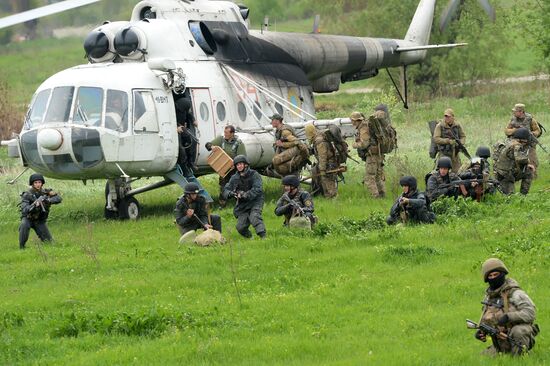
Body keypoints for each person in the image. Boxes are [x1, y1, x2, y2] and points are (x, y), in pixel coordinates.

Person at [474, 258, 539, 356]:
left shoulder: (515, 293)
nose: (493, 278)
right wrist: (482, 332)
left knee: (519, 331)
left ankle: (520, 356)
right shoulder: (488, 297)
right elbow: (488, 318)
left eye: (496, 274)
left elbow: (530, 313)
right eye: (490, 276)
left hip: (517, 337)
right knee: (480, 358)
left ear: (503, 273)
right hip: (500, 342)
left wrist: (509, 317)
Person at [222, 155, 266, 238]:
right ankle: (250, 238)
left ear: (246, 164)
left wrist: (245, 194)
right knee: (240, 227)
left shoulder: (254, 174)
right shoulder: (234, 178)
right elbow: (225, 190)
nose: (239, 166)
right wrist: (231, 194)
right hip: (242, 205)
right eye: (237, 165)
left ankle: (263, 237)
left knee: (255, 217)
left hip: (255, 201)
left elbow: (257, 189)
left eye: (241, 164)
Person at [350, 106, 387, 198]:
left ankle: (375, 197)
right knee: (378, 176)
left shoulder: (363, 128)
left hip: (372, 156)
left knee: (369, 177)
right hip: (378, 154)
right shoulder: (367, 125)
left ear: (356, 121)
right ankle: (382, 194)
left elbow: (364, 144)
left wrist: (354, 145)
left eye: (352, 120)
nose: (352, 122)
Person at [205, 125, 246, 206]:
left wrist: (236, 164)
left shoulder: (239, 143)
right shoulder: (221, 140)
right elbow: (207, 144)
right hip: (223, 168)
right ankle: (222, 204)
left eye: (227, 133)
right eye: (224, 132)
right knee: (223, 185)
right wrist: (212, 147)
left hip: (234, 168)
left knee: (237, 185)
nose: (225, 134)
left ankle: (239, 203)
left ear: (232, 133)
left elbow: (242, 157)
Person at [19, 173, 62, 249]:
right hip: (28, 218)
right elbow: (24, 209)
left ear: (42, 183)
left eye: (39, 182)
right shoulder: (27, 194)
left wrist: (48, 200)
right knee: (24, 225)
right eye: (35, 183)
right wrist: (34, 205)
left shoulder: (46, 192)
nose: (38, 184)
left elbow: (58, 198)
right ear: (32, 184)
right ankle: (22, 247)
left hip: (39, 221)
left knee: (49, 243)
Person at [504, 103, 541, 178]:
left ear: (521, 112)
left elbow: (537, 131)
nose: (514, 113)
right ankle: (516, 174)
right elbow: (506, 131)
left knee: (532, 159)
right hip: (516, 141)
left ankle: (532, 176)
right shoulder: (513, 119)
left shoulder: (530, 119)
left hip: (529, 142)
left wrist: (529, 133)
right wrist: (515, 130)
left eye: (515, 111)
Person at [494, 128, 534, 195]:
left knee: (528, 171)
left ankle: (522, 196)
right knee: (510, 197)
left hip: (501, 173)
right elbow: (520, 159)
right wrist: (528, 161)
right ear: (523, 140)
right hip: (506, 176)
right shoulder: (517, 145)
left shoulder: (506, 142)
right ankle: (523, 195)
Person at [304, 123, 339, 198]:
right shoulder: (319, 137)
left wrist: (322, 169)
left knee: (328, 182)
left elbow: (322, 156)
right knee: (326, 182)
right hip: (329, 163)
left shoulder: (319, 141)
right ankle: (329, 198)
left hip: (328, 164)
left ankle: (333, 198)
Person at [433, 108, 467, 172]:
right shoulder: (440, 126)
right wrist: (447, 141)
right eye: (445, 116)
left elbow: (463, 136)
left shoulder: (457, 125)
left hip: (455, 153)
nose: (446, 118)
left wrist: (460, 143)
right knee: (442, 171)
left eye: (448, 116)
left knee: (458, 172)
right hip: (444, 153)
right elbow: (436, 139)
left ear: (453, 117)